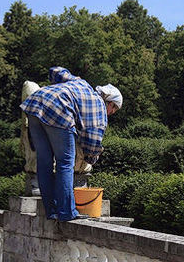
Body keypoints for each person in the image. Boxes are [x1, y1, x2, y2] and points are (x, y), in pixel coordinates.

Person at [20, 66, 122, 221]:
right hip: (59, 110)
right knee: (65, 162)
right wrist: (91, 158)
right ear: (110, 103)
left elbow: (56, 71)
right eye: (114, 109)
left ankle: (52, 211)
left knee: (44, 162)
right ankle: (67, 212)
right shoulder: (99, 107)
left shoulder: (81, 83)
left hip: (35, 102)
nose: (112, 113)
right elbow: (93, 144)